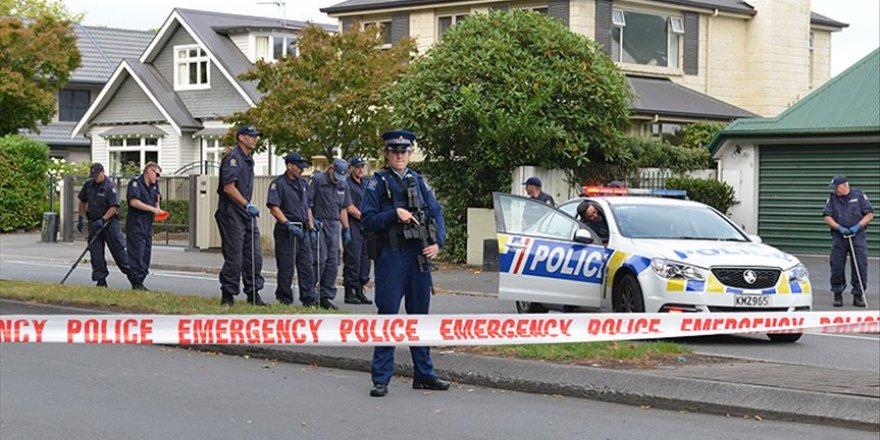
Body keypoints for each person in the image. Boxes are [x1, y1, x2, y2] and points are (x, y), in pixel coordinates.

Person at [362, 129, 449, 398]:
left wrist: (439, 242)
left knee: (419, 315)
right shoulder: (376, 184)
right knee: (388, 314)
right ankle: (381, 378)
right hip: (392, 255)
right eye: (395, 151)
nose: (400, 155)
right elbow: (367, 220)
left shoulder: (419, 181)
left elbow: (435, 211)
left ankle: (423, 373)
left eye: (405, 151)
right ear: (386, 154)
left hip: (418, 255)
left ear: (410, 153)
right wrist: (393, 214)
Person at [215, 125, 266, 307]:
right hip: (232, 212)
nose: (255, 139)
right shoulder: (233, 159)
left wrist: (247, 207)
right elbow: (229, 187)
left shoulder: (248, 160)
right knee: (234, 257)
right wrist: (247, 204)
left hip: (245, 212)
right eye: (251, 136)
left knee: (254, 256)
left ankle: (253, 293)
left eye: (255, 136)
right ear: (241, 138)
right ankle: (227, 295)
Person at [267, 152, 318, 307]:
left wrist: (312, 226)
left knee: (306, 267)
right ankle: (284, 299)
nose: (302, 170)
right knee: (286, 267)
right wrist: (287, 223)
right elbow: (274, 208)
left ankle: (309, 300)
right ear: (290, 166)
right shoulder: (278, 184)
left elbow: (308, 207)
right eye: (299, 166)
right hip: (287, 231)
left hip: (303, 231)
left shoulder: (303, 184)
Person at [77, 163, 135, 288]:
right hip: (93, 222)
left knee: (119, 251)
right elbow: (82, 201)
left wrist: (103, 220)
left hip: (109, 223)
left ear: (103, 172)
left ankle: (134, 278)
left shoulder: (110, 186)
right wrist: (80, 218)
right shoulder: (89, 185)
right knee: (96, 253)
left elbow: (114, 207)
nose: (95, 178)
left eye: (97, 175)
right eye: (93, 176)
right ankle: (101, 280)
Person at [823, 174, 873, 308]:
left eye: (836, 187)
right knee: (837, 266)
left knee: (860, 266)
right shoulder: (833, 198)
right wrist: (838, 227)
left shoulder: (859, 195)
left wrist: (858, 226)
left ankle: (858, 295)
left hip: (858, 237)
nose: (834, 190)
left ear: (845, 185)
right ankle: (837, 294)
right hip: (840, 238)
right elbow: (827, 217)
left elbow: (869, 215)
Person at [309, 158, 352, 310]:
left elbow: (343, 208)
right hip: (319, 223)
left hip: (334, 225)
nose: (338, 180)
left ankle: (325, 296)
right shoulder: (318, 180)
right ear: (331, 168)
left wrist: (346, 228)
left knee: (333, 262)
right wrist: (312, 223)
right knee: (320, 259)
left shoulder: (343, 183)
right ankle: (311, 294)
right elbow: (308, 204)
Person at [125, 162, 165, 291]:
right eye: (156, 174)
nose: (157, 178)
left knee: (146, 255)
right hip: (136, 224)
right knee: (136, 254)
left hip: (147, 225)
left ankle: (140, 279)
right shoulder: (135, 183)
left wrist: (158, 208)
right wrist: (153, 209)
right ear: (149, 171)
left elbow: (157, 197)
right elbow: (134, 202)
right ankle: (136, 282)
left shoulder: (154, 186)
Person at [343, 156, 373, 305]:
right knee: (353, 258)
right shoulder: (347, 184)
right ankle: (349, 291)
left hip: (366, 227)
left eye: (362, 167)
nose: (360, 170)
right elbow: (349, 207)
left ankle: (360, 289)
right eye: (358, 167)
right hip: (353, 225)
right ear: (352, 168)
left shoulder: (366, 183)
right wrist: (366, 217)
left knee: (365, 259)